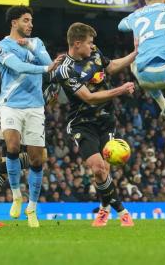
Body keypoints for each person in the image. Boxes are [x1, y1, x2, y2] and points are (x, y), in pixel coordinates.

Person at [56, 22, 136, 227]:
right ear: (76, 43)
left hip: (106, 121)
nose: (92, 46)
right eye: (89, 43)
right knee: (98, 167)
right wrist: (121, 90)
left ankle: (103, 209)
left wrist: (134, 53)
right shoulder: (65, 70)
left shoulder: (95, 53)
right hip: (82, 124)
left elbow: (112, 66)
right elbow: (89, 97)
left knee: (103, 172)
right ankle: (122, 211)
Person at [0, 5, 63, 227]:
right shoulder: (1, 47)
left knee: (35, 158)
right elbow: (19, 66)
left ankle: (31, 207)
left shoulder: (37, 42)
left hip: (35, 106)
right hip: (11, 104)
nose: (30, 24)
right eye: (25, 20)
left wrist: (32, 46)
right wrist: (46, 69)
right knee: (12, 146)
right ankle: (16, 196)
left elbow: (46, 60)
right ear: (14, 22)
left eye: (31, 20)